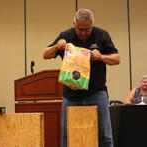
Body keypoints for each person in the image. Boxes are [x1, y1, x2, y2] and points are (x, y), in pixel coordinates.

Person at [43, 9, 120, 147]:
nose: (83, 33)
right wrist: (56, 46)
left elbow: (117, 59)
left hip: (97, 93)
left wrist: (101, 57)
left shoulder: (102, 35)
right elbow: (45, 55)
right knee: (67, 136)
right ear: (74, 24)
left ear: (92, 25)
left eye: (87, 29)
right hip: (71, 95)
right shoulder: (65, 35)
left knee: (104, 135)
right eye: (79, 29)